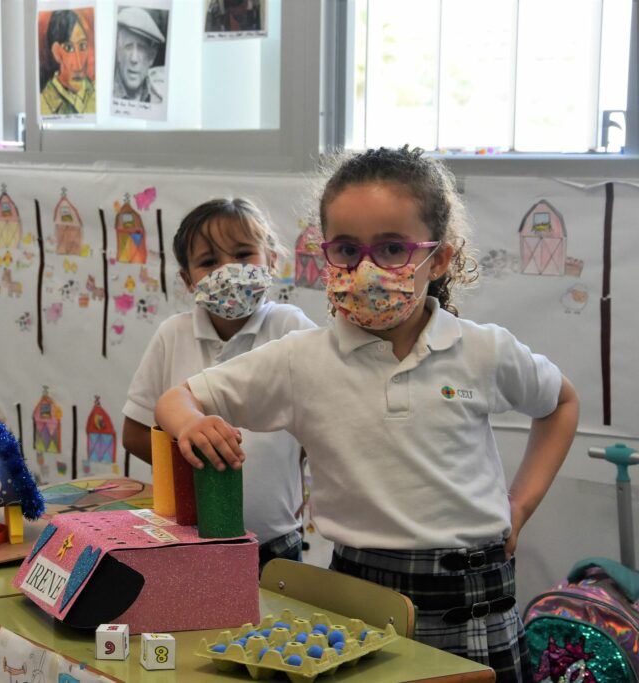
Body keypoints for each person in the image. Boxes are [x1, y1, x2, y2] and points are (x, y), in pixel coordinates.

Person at [155, 146, 579, 682]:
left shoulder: (483, 351)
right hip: (358, 601)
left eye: (394, 249)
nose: (369, 269)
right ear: (325, 255)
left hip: (479, 604)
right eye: (348, 250)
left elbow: (561, 402)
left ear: (440, 258)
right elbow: (175, 399)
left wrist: (520, 505)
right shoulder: (301, 359)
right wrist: (192, 422)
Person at [122, 198, 316, 568]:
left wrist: (294, 476)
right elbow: (134, 433)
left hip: (275, 542)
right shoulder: (172, 335)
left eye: (244, 255)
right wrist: (193, 463)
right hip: (188, 539)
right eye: (209, 262)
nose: (229, 270)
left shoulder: (291, 329)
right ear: (187, 278)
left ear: (272, 260)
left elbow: (320, 422)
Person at [39, 9, 96, 116]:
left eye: (82, 46)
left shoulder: (96, 92)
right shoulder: (44, 104)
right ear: (56, 52)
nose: (79, 64)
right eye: (69, 48)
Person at [113, 7, 165, 103]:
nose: (134, 59)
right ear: (118, 52)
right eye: (128, 46)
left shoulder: (160, 100)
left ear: (152, 57)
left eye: (141, 48)